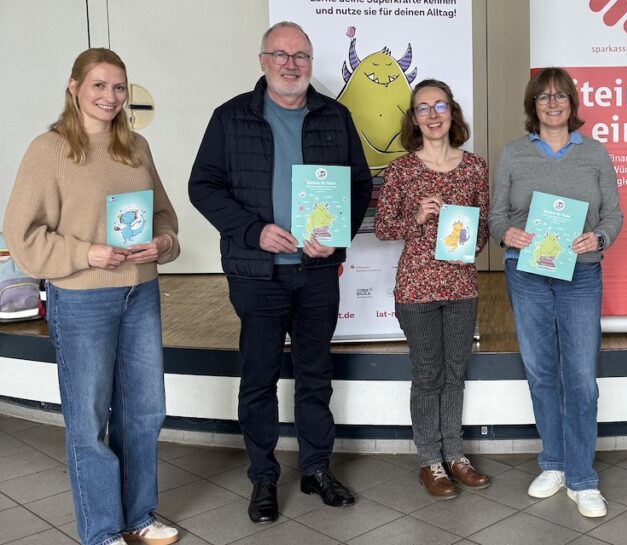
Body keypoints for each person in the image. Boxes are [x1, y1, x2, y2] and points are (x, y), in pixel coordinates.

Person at [188, 21, 372, 524]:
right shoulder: (230, 117)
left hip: (317, 272)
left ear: (311, 63)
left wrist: (337, 236)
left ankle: (316, 469)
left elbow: (359, 186)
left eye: (300, 56)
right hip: (257, 273)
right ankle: (264, 478)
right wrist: (254, 231)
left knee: (315, 375)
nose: (291, 64)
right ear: (263, 61)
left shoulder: (335, 116)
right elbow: (203, 186)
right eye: (281, 55)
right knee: (259, 378)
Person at [3, 48, 181, 545]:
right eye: (98, 85)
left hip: (141, 293)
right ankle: (102, 531)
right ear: (74, 87)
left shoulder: (136, 147)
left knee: (144, 411)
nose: (110, 96)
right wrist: (86, 253)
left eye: (118, 86)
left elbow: (165, 217)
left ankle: (138, 517)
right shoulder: (50, 149)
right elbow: (22, 235)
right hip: (82, 300)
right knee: (88, 421)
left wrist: (162, 243)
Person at [488, 67, 623, 518]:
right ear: (533, 104)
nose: (552, 103)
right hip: (526, 274)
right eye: (544, 97)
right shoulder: (512, 154)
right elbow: (496, 215)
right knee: (542, 372)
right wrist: (507, 234)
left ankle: (582, 477)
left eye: (560, 96)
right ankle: (554, 462)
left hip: (581, 275)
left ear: (572, 103)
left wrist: (598, 238)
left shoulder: (595, 153)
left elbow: (614, 215)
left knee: (581, 377)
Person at [374, 79, 492, 499]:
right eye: (423, 108)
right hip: (417, 288)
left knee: (455, 373)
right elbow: (383, 227)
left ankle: (455, 455)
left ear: (452, 112)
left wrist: (469, 242)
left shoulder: (475, 166)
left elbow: (483, 227)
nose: (432, 114)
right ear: (414, 118)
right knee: (427, 375)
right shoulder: (401, 170)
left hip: (461, 286)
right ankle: (430, 462)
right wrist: (417, 219)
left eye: (439, 105)